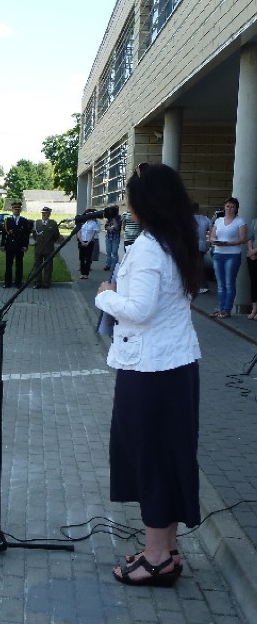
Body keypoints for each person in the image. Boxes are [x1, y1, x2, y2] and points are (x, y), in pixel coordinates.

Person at [95, 163, 201, 588]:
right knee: (170, 456)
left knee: (151, 458)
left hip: (151, 371)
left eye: (129, 195)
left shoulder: (149, 248)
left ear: (144, 202)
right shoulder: (175, 240)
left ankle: (156, 558)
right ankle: (167, 549)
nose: (125, 202)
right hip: (175, 367)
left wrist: (106, 296)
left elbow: (139, 310)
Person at [209, 198, 247, 318]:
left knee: (229, 283)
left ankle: (227, 309)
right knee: (220, 284)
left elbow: (243, 239)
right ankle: (221, 308)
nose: (230, 209)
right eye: (227, 206)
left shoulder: (240, 221)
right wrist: (214, 240)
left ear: (236, 209)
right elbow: (212, 235)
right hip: (218, 254)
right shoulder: (219, 221)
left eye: (232, 207)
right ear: (224, 207)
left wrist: (227, 243)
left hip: (232, 254)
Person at [1, 201, 31, 288]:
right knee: (8, 265)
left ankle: (18, 283)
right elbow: (4, 234)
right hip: (9, 246)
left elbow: (26, 235)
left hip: (20, 246)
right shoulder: (7, 220)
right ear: (12, 210)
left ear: (20, 210)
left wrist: (25, 245)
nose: (17, 211)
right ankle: (7, 283)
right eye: (15, 209)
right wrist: (2, 244)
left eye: (18, 209)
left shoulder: (24, 221)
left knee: (19, 265)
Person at [31, 206, 61, 289]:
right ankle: (37, 282)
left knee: (48, 266)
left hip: (48, 248)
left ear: (49, 214)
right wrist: (39, 241)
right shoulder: (37, 223)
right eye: (43, 213)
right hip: (38, 248)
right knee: (37, 266)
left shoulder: (53, 223)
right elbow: (34, 235)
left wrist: (49, 241)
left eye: (46, 213)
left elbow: (56, 236)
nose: (44, 215)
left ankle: (46, 282)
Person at [193, 203, 212, 294]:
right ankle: (200, 285)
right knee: (200, 264)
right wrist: (208, 244)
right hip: (203, 245)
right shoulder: (205, 219)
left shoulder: (188, 219)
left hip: (192, 245)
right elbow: (211, 232)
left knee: (196, 266)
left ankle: (201, 285)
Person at [77, 208, 100, 279]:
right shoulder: (82, 223)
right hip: (82, 241)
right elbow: (78, 232)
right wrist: (81, 241)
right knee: (81, 258)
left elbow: (93, 234)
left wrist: (88, 242)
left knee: (88, 258)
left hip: (89, 242)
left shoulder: (93, 223)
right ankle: (82, 273)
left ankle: (86, 274)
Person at [246, 215, 257, 320]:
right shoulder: (254, 221)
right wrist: (250, 250)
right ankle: (254, 309)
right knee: (254, 283)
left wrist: (254, 250)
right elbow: (250, 237)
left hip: (254, 252)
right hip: (252, 257)